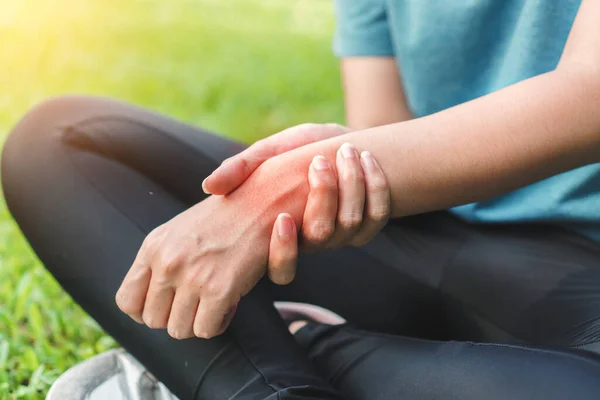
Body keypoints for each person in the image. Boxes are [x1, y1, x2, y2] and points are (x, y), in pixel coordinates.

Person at [4, 0, 600, 399]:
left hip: (585, 280)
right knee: (58, 140)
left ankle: (270, 349)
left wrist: (279, 190)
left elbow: (590, 92)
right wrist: (336, 163)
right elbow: (383, 128)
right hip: (436, 242)